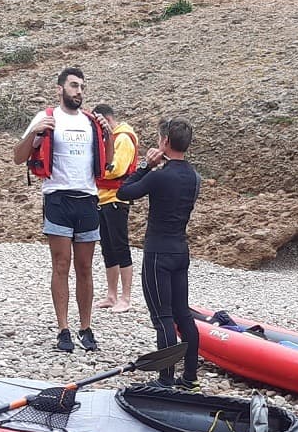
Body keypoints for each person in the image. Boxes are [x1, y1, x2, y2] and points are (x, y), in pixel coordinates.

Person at [13, 66, 109, 353]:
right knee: (61, 265)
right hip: (57, 197)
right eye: (73, 85)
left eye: (82, 86)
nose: (79, 91)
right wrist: (35, 132)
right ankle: (63, 328)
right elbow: (18, 157)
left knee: (85, 268)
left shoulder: (92, 121)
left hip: (87, 198)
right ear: (60, 88)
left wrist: (109, 134)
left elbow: (109, 163)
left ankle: (86, 327)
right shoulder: (46, 117)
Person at [116, 118, 201, 388]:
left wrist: (146, 165)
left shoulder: (159, 175)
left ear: (164, 142)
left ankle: (165, 379)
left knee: (163, 318)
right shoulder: (194, 177)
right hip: (180, 250)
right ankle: (190, 378)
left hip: (157, 254)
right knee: (183, 315)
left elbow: (123, 192)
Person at [93, 103, 140, 313]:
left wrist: (96, 170)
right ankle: (111, 295)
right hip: (102, 199)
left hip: (116, 200)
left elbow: (116, 169)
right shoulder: (110, 139)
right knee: (108, 249)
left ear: (107, 120)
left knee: (120, 247)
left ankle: (125, 297)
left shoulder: (122, 138)